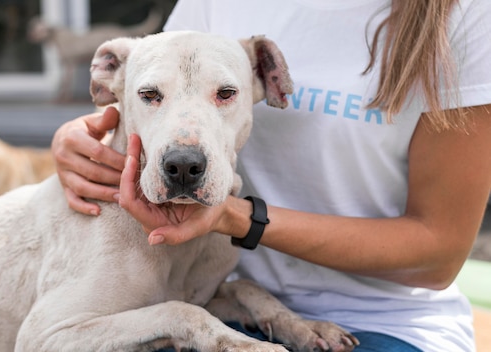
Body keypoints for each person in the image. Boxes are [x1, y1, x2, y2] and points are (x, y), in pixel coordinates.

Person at [51, 0, 491, 351]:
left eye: (227, 94)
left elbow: (438, 255)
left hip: (378, 319)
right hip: (213, 296)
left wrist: (237, 218)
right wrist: (82, 135)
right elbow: (156, 95)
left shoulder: (466, 14)